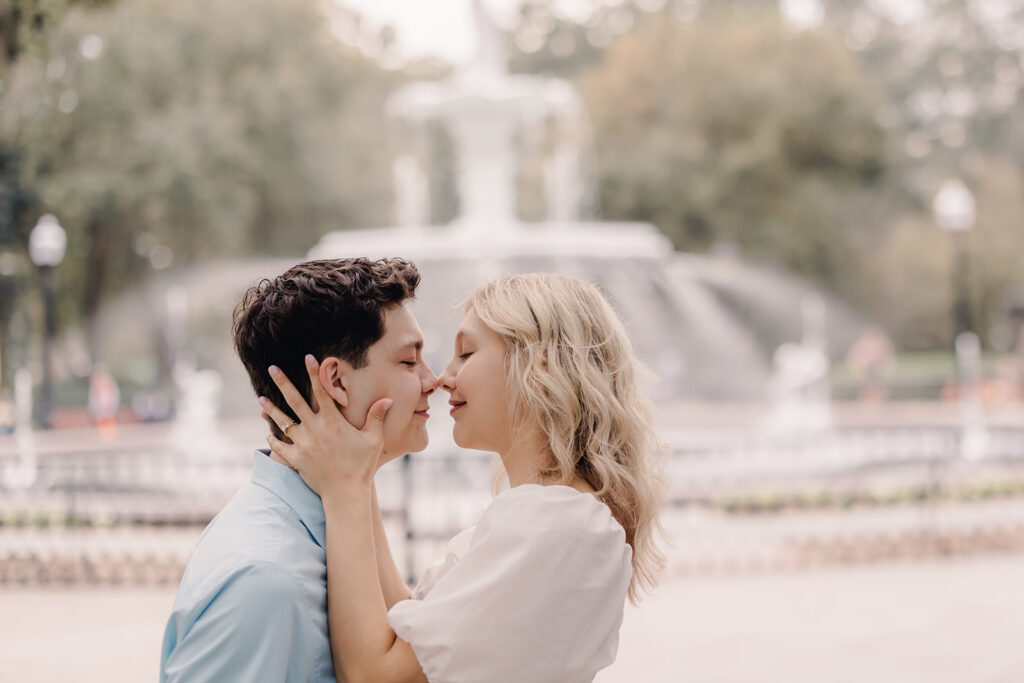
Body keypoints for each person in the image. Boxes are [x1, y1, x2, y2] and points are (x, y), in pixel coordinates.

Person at [263, 272, 667, 683]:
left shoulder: (560, 525)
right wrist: (357, 468)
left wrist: (344, 489)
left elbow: (375, 676)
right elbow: (407, 625)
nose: (441, 378)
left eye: (466, 354)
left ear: (539, 365)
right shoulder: (550, 515)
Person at [160, 258, 437, 682]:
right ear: (337, 382)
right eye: (408, 362)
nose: (432, 380)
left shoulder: (338, 518)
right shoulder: (268, 578)